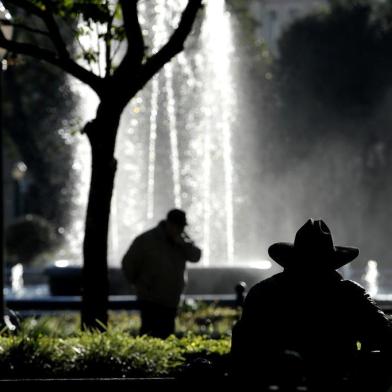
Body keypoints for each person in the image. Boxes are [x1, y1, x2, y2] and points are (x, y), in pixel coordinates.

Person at [231, 218, 392, 391]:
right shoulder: (349, 294)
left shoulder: (262, 293)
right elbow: (385, 335)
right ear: (331, 263)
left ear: (291, 260)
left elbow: (242, 349)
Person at [121, 209, 201, 338]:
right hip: (150, 299)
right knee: (148, 335)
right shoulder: (147, 239)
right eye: (178, 226)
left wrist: (185, 245)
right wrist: (138, 284)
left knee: (167, 335)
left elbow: (196, 257)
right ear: (169, 224)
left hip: (171, 299)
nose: (181, 230)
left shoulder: (182, 240)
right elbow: (128, 262)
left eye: (182, 226)